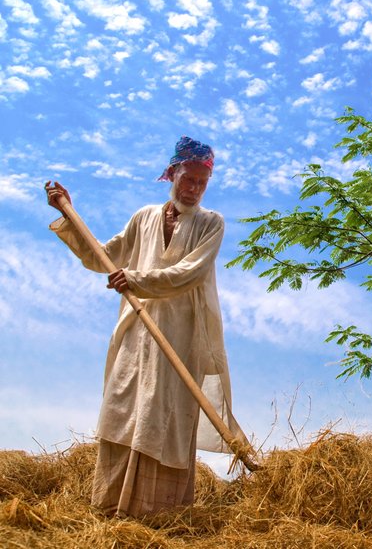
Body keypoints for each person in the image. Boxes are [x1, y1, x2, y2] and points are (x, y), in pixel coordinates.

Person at [45, 136, 244, 518]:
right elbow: (103, 256)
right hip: (136, 330)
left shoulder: (210, 224)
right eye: (188, 180)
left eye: (202, 184)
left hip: (180, 335)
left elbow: (189, 273)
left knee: (163, 416)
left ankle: (159, 516)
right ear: (172, 173)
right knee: (122, 409)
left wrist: (135, 279)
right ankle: (107, 509)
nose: (193, 190)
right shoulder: (144, 218)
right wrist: (69, 214)